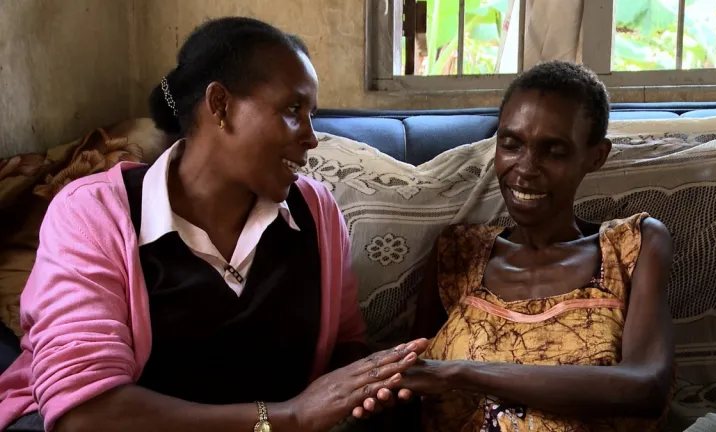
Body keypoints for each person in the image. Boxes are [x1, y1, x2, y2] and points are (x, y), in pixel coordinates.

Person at [0, 17, 426, 432]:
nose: (311, 137)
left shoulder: (316, 211)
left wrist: (376, 381)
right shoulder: (93, 214)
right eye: (293, 109)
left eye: (311, 114)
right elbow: (83, 414)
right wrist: (288, 418)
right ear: (220, 105)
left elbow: (345, 342)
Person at [403, 61, 675, 431]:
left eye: (554, 151)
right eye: (511, 144)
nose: (526, 168)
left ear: (596, 156)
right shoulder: (458, 254)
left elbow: (646, 387)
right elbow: (409, 384)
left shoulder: (631, 247)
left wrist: (464, 373)